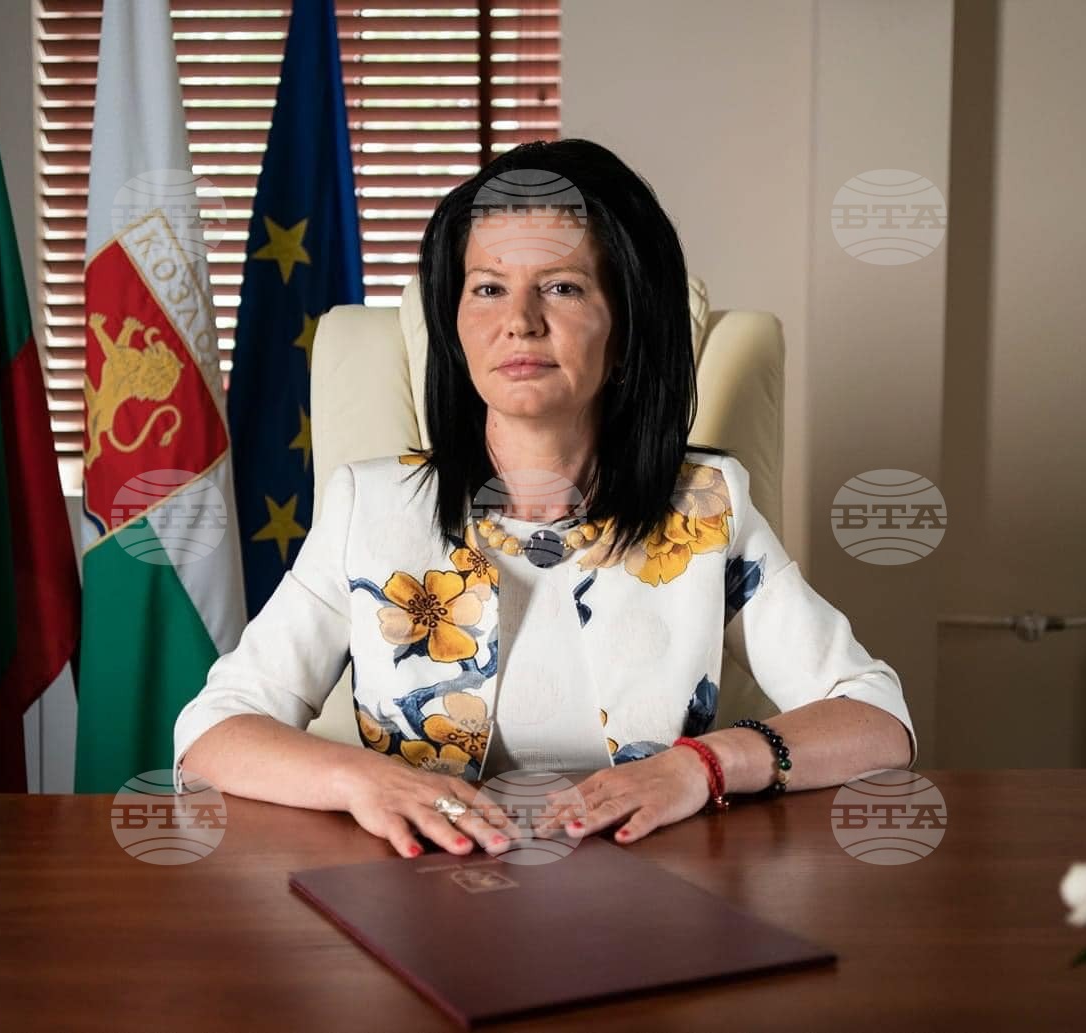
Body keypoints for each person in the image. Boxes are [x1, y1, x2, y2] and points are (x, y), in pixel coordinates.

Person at [174, 137, 916, 860]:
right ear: (455, 324)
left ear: (624, 329)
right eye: (488, 287)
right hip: (428, 882)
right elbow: (210, 732)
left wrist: (702, 765)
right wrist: (365, 780)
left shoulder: (704, 506)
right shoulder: (369, 505)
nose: (520, 321)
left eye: (562, 287)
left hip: (652, 881)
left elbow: (877, 716)